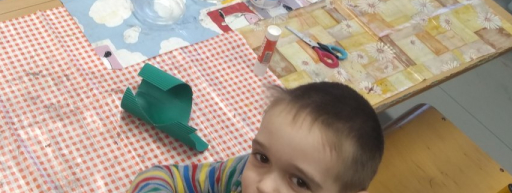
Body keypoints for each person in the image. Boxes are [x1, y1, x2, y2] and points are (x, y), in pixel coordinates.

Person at [127, 82, 385, 193]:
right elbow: (161, 176)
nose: (264, 186)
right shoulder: (239, 173)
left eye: (300, 182)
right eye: (262, 157)